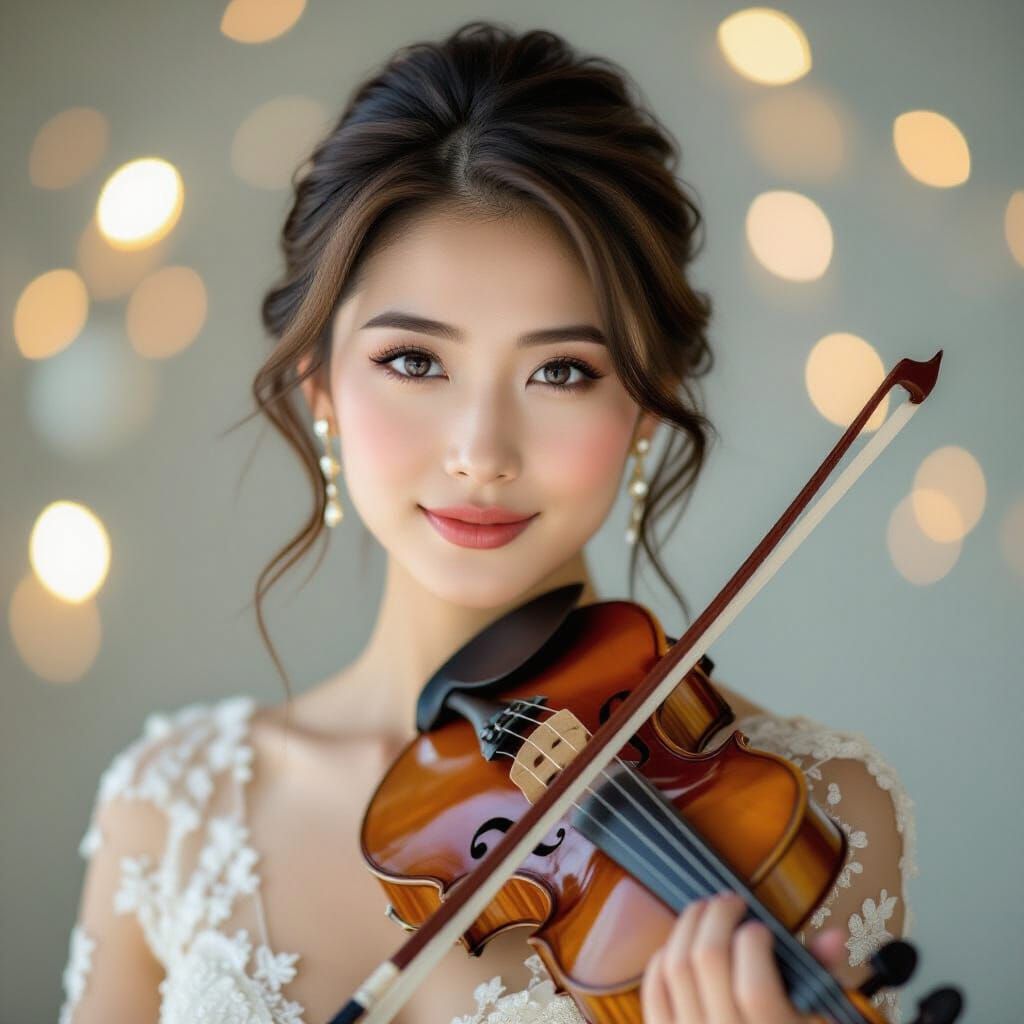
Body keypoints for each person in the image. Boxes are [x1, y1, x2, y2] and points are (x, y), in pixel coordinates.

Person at [57, 20, 916, 1024]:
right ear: (318, 383)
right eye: (414, 360)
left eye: (562, 370)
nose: (481, 448)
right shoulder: (170, 807)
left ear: (644, 402)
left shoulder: (814, 812)